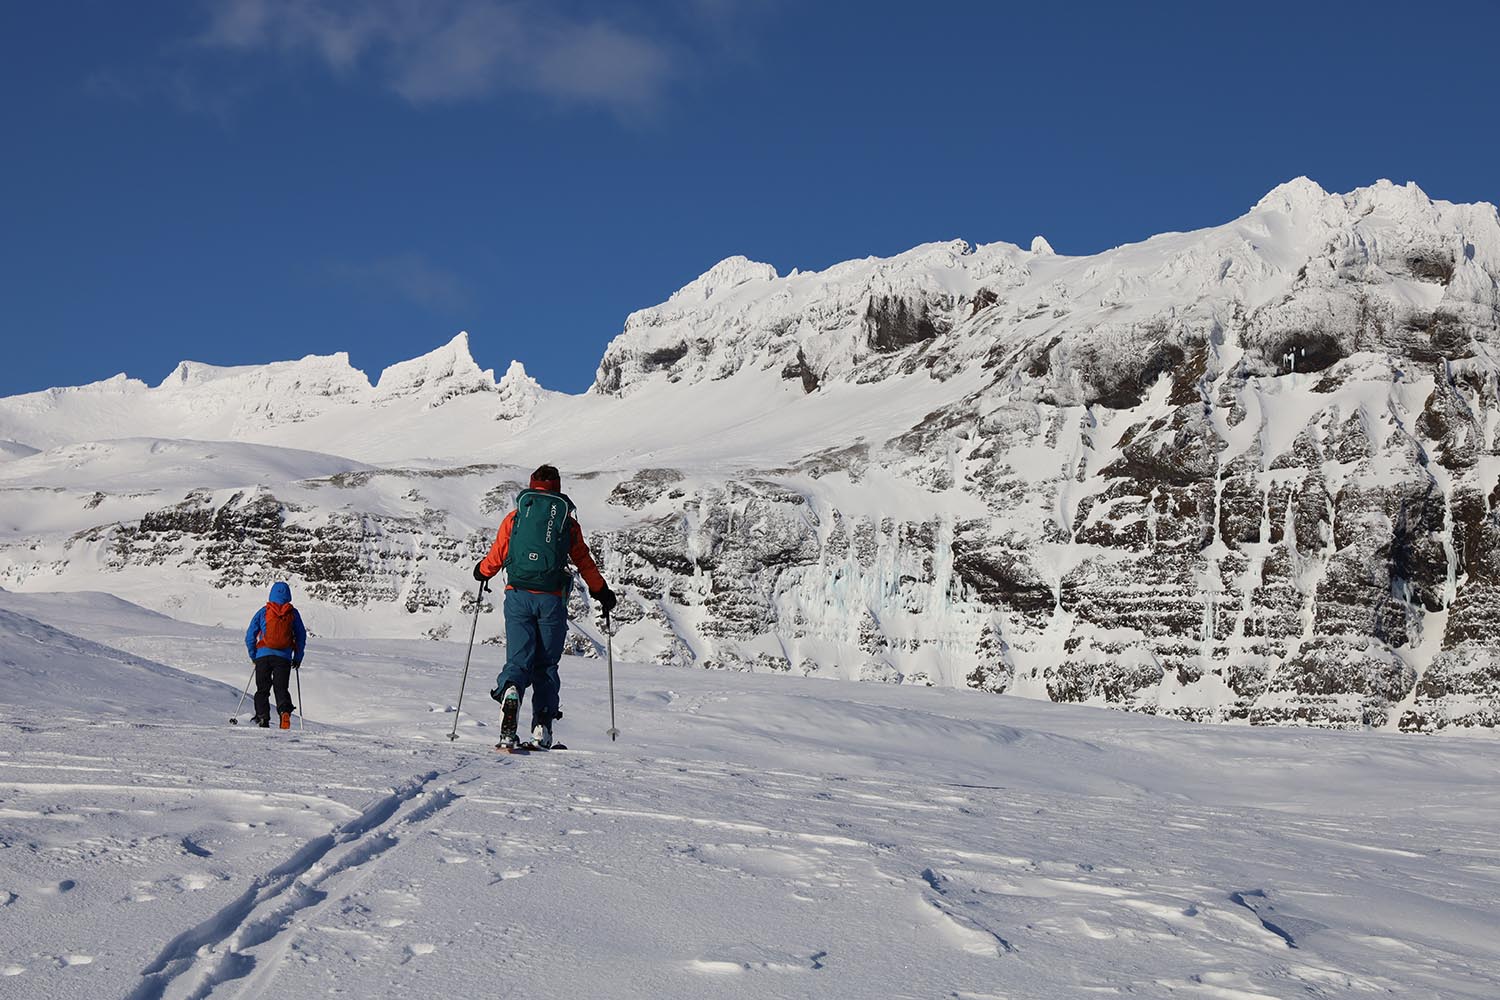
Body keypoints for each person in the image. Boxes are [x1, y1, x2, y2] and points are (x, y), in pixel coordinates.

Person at [474, 464, 616, 749]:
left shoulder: (516, 518)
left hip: (518, 596)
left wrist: (482, 572)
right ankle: (542, 726)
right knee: (546, 664)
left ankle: (511, 692)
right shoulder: (567, 523)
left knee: (518, 661)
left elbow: (497, 555)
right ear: (558, 487)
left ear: (531, 485)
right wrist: (602, 592)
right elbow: (584, 562)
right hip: (551, 599)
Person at [244, 581, 308, 729]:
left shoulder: (264, 611)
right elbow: (301, 636)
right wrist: (298, 657)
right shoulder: (292, 613)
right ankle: (284, 712)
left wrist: (254, 655)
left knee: (262, 689)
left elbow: (250, 636)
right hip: (283, 657)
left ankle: (262, 717)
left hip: (263, 656)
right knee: (281, 688)